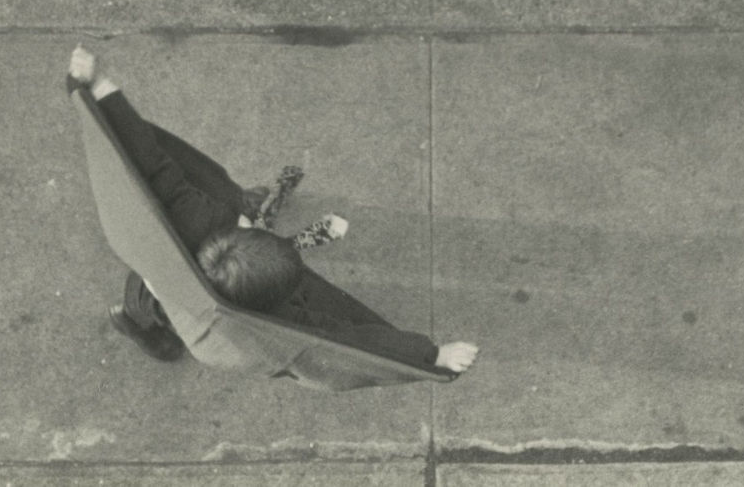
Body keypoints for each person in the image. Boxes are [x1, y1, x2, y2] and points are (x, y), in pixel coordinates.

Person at [66, 46, 478, 376]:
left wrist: (100, 86)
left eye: (250, 226)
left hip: (165, 263)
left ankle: (143, 311)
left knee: (157, 272)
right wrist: (430, 355)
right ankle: (141, 327)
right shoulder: (271, 321)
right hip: (172, 301)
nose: (252, 222)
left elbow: (153, 166)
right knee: (148, 305)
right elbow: (345, 339)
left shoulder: (197, 221)